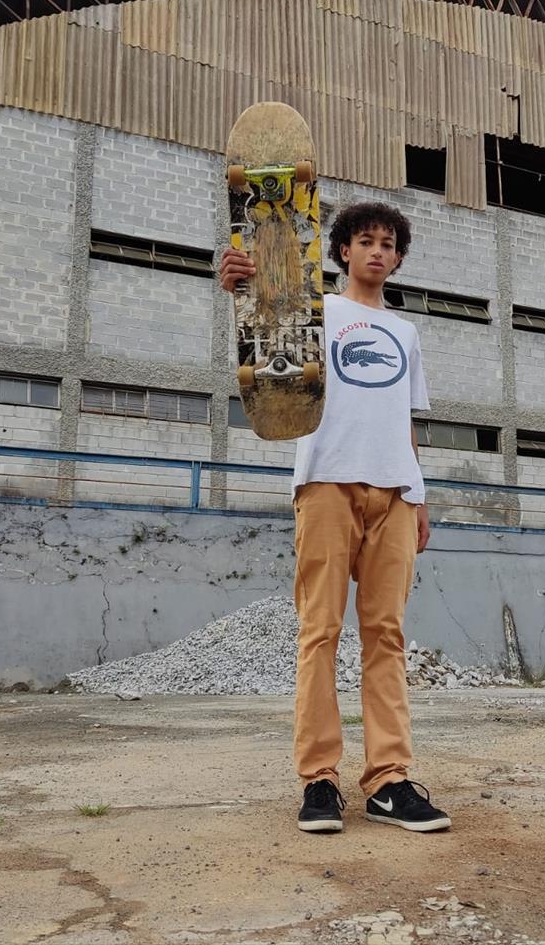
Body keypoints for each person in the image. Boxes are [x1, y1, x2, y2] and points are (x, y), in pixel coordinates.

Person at [219, 201, 451, 834]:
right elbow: (265, 341)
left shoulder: (405, 332)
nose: (377, 251)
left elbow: (405, 420)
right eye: (364, 241)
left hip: (395, 493)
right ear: (342, 250)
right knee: (319, 632)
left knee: (387, 636)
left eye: (388, 244)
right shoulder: (316, 311)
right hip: (326, 483)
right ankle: (319, 781)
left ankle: (389, 781)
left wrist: (419, 492)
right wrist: (241, 287)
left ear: (398, 258)